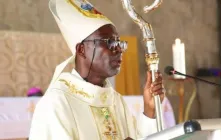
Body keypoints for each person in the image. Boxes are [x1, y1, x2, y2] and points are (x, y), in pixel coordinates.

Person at [29, 0, 172, 139]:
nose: (119, 49)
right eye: (109, 42)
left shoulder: (115, 101)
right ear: (82, 49)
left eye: (119, 42)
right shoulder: (57, 103)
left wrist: (150, 110)